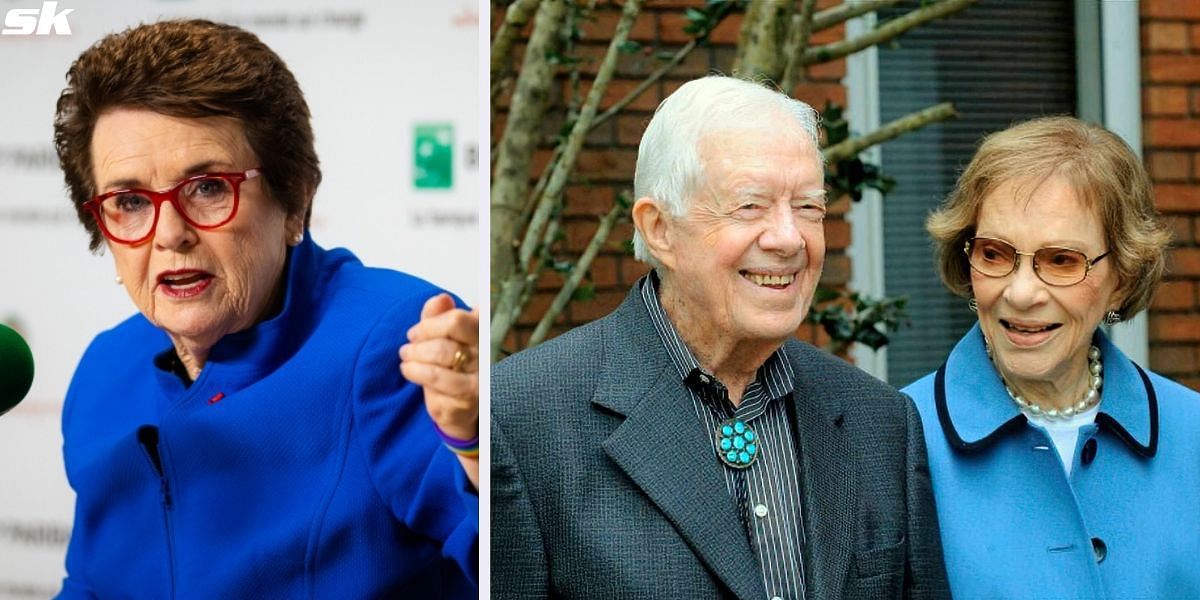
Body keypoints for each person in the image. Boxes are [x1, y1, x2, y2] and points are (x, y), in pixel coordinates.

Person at [52, 20, 478, 598]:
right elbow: (91, 586)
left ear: (296, 197)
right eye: (129, 201)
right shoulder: (105, 368)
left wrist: (477, 447)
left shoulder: (396, 341)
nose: (169, 234)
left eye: (207, 188)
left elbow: (508, 561)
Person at [491, 75, 949, 599]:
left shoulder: (880, 420)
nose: (788, 238)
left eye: (808, 207)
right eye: (750, 206)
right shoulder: (522, 418)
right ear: (660, 228)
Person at [903, 116, 1199, 597]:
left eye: (1061, 260)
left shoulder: (1194, 434)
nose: (1021, 293)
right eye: (995, 254)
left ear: (1121, 278)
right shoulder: (894, 441)